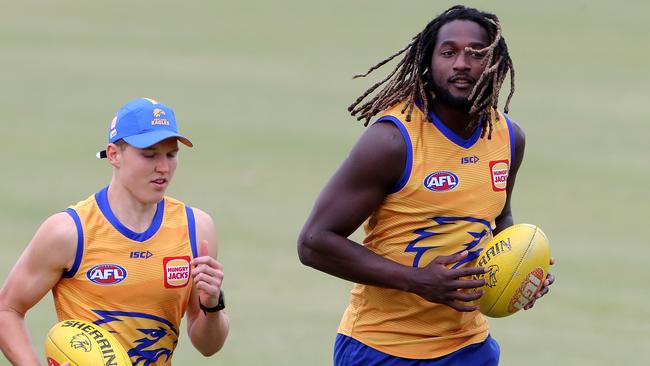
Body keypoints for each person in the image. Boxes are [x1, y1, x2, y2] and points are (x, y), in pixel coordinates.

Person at [298, 5, 555, 365]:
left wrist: (521, 268)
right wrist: (418, 280)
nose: (462, 63)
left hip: (469, 348)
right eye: (448, 52)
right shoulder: (391, 142)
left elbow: (499, 218)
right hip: (381, 348)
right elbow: (314, 243)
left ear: (494, 62)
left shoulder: (510, 138)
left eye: (476, 53)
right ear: (428, 62)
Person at [0, 98, 229, 365]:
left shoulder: (196, 228)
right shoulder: (70, 232)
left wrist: (212, 305)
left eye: (171, 154)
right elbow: (7, 310)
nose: (164, 168)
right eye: (149, 154)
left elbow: (208, 346)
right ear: (113, 155)